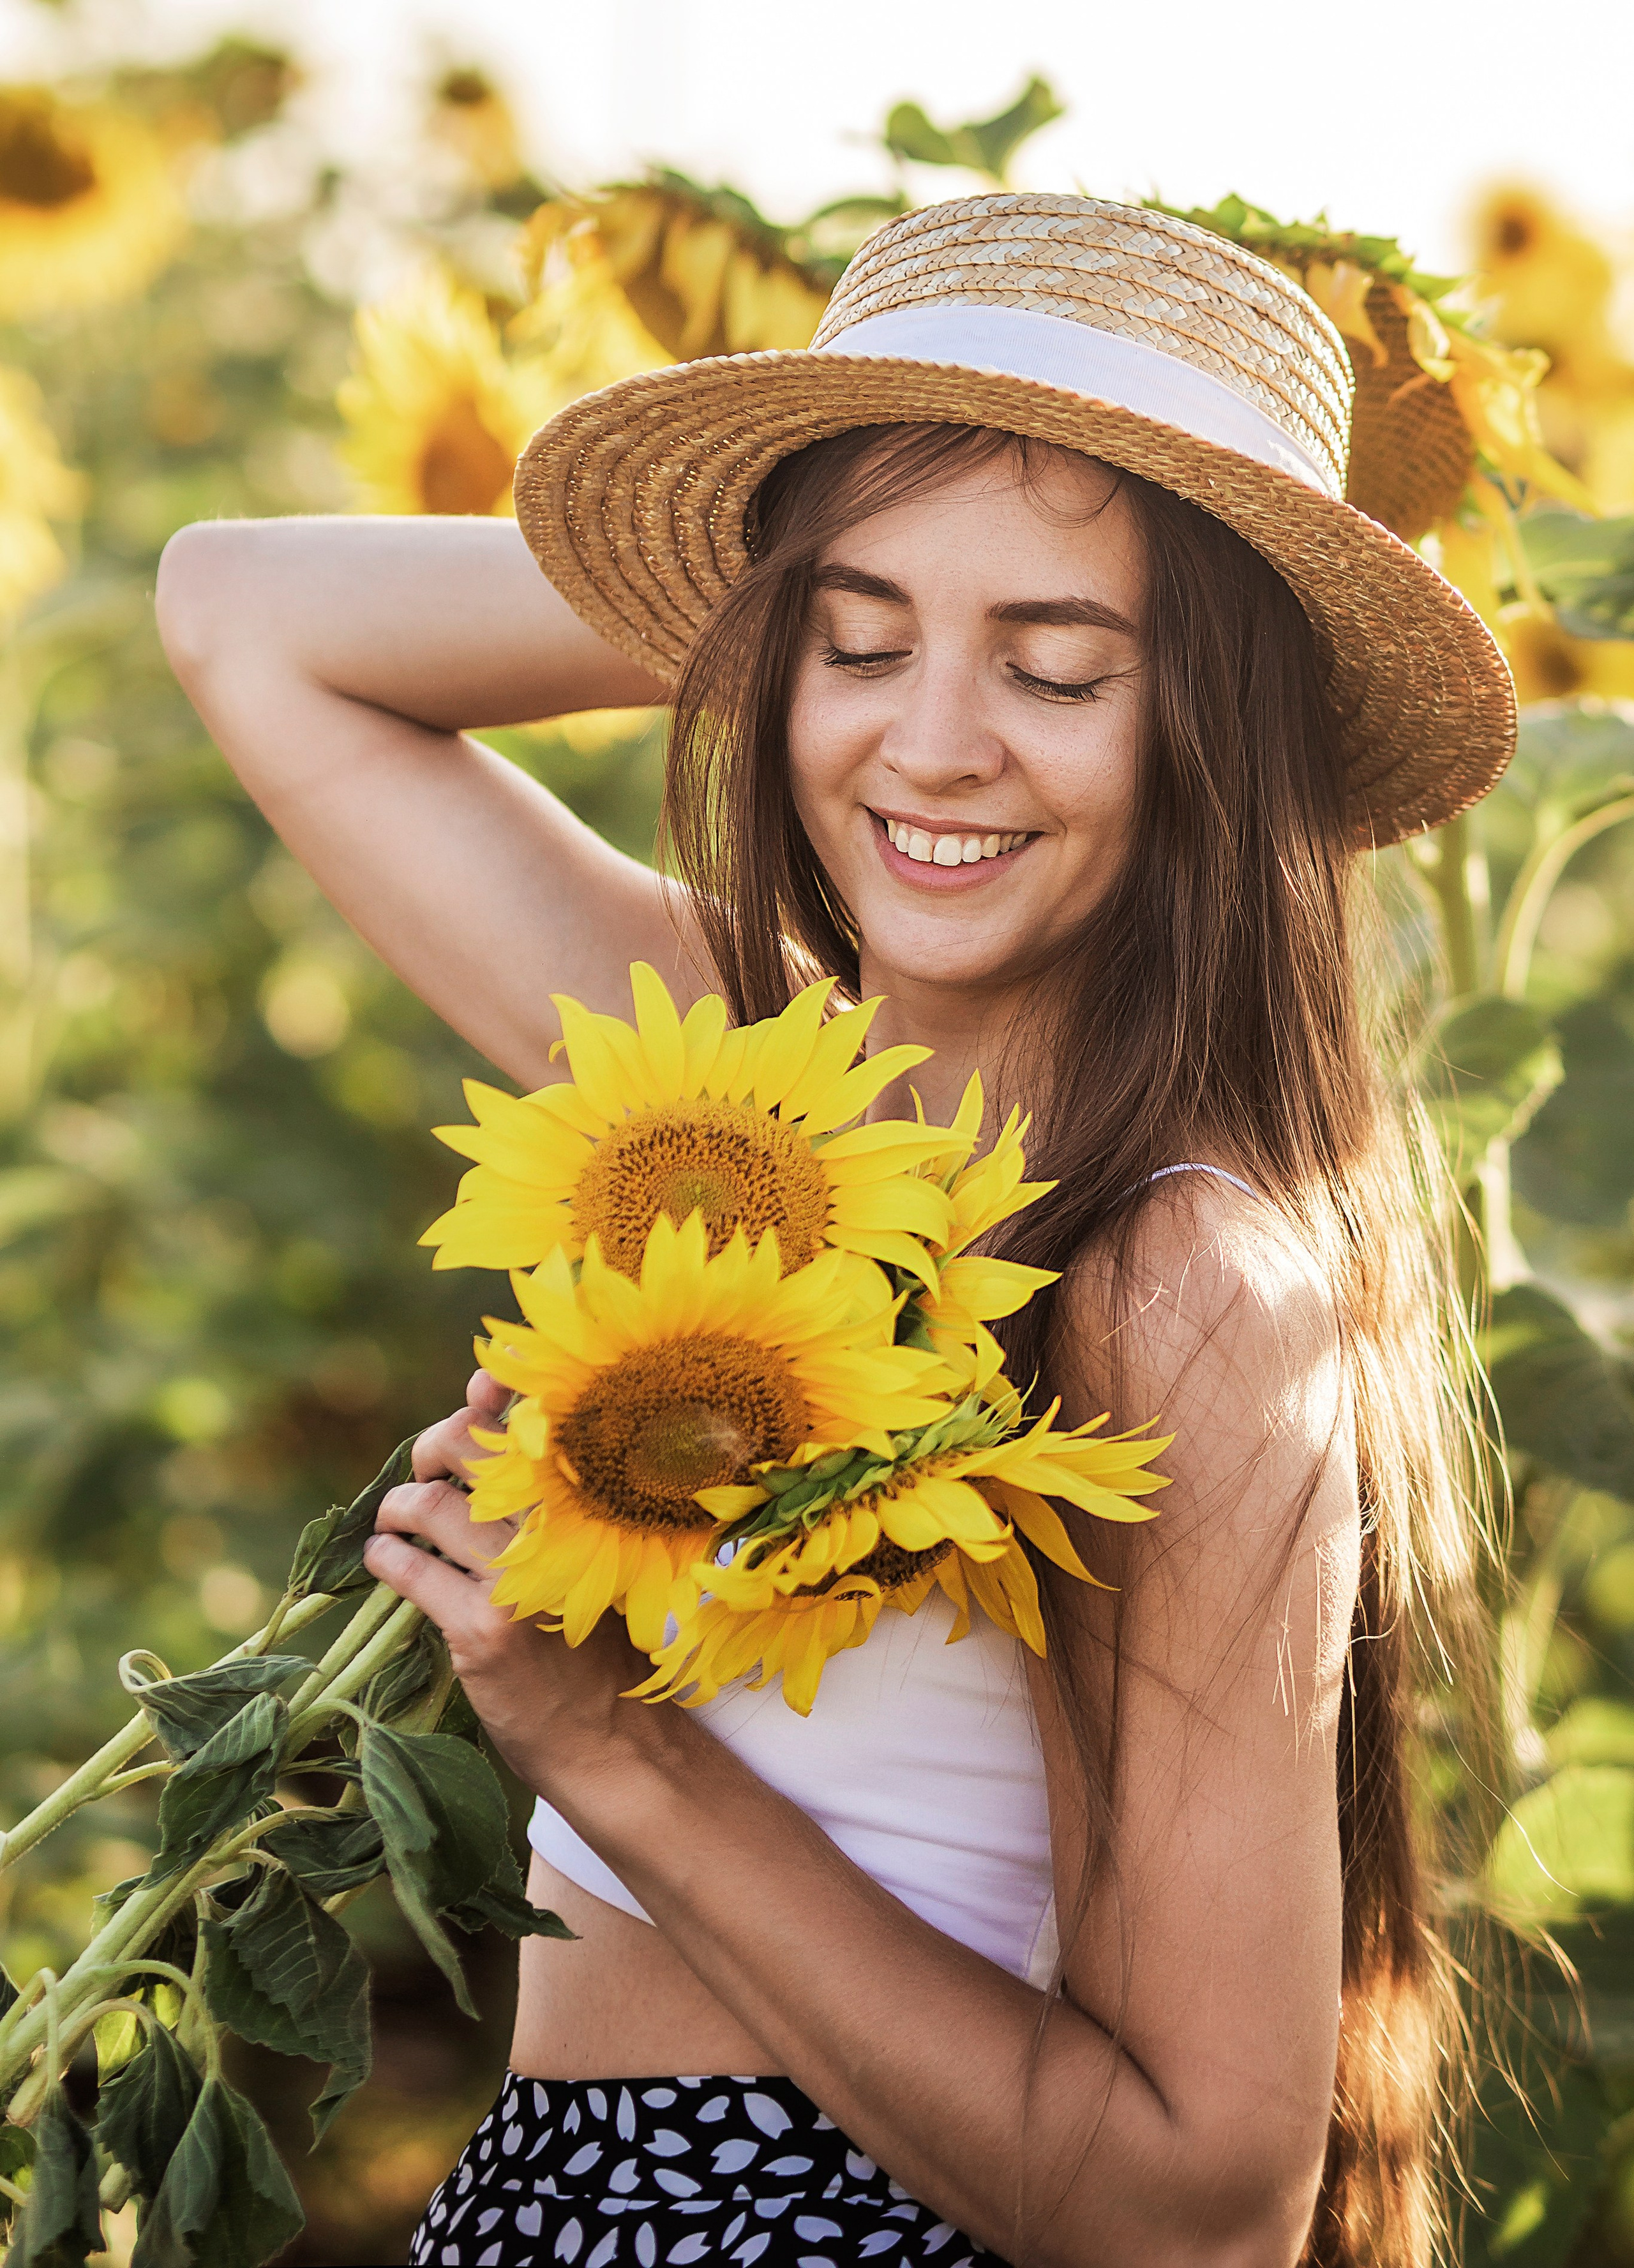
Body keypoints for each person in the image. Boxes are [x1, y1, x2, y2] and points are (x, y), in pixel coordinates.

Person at [156, 193, 1512, 2268]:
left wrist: (603, 1746)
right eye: (860, 647)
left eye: (1059, 668)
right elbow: (244, 611)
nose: (931, 744)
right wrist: (777, 575)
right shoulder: (740, 1082)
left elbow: (1195, 2210)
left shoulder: (1184, 1281)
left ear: (1212, 736)